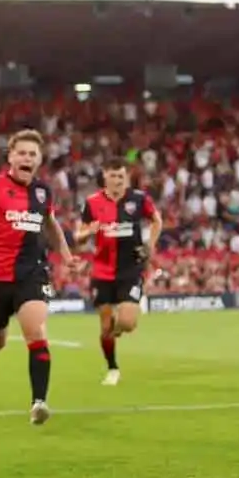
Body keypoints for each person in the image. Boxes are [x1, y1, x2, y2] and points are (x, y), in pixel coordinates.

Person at [0, 130, 74, 424]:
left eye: (32, 154)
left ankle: (39, 402)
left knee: (36, 330)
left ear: (40, 159)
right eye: (22, 153)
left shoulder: (43, 192)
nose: (27, 158)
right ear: (10, 157)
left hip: (31, 273)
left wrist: (67, 257)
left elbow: (50, 225)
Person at [75, 158, 162, 386]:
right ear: (105, 177)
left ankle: (113, 332)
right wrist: (88, 232)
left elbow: (156, 221)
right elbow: (78, 235)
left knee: (128, 322)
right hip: (102, 271)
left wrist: (150, 245)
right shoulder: (92, 202)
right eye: (113, 176)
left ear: (127, 177)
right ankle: (113, 368)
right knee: (105, 326)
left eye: (121, 176)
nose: (118, 180)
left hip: (130, 269)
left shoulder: (139, 199)